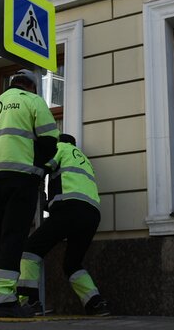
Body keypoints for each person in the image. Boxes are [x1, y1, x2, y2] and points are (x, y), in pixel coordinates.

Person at [0, 69, 59, 318]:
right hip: (21, 177)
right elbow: (50, 141)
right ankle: (2, 299)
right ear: (31, 86)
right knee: (13, 236)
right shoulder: (33, 101)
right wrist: (38, 168)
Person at [17, 134, 110, 316]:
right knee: (72, 263)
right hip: (91, 214)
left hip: (69, 208)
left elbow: (43, 168)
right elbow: (71, 184)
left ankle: (29, 302)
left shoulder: (60, 149)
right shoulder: (83, 159)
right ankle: (95, 303)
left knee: (30, 250)